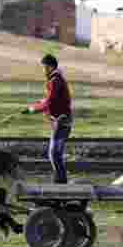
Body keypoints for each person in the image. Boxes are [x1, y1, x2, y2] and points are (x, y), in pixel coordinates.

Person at [23, 54, 72, 184]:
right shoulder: (56, 79)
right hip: (60, 121)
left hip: (62, 121)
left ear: (50, 67)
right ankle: (60, 181)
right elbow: (52, 99)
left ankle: (61, 183)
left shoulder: (55, 80)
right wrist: (40, 102)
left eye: (44, 67)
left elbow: (50, 103)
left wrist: (33, 109)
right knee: (55, 154)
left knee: (54, 154)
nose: (43, 70)